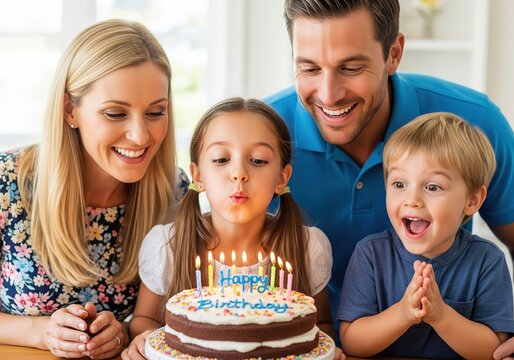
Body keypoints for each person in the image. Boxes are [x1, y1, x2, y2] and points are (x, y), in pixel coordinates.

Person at [265, 0, 514, 333]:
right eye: (309, 69)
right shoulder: (264, 138)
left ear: (394, 53)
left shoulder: (476, 121)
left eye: (351, 68)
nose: (329, 94)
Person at [0, 19, 189, 359]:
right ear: (70, 110)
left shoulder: (174, 192)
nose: (141, 136)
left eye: (155, 112)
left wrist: (123, 332)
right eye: (116, 113)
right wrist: (41, 332)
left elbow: (163, 319)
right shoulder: (6, 182)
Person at [121, 97, 338, 359]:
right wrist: (146, 338)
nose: (239, 173)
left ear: (282, 178)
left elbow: (322, 327)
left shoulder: (306, 247)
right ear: (198, 175)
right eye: (222, 159)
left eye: (258, 161)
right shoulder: (168, 245)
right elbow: (143, 319)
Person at [337, 113, 514, 358]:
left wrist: (440, 316)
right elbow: (352, 343)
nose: (412, 200)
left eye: (432, 187)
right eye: (399, 184)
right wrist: (403, 314)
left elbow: (494, 350)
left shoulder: (487, 261)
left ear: (472, 200)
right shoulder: (370, 254)